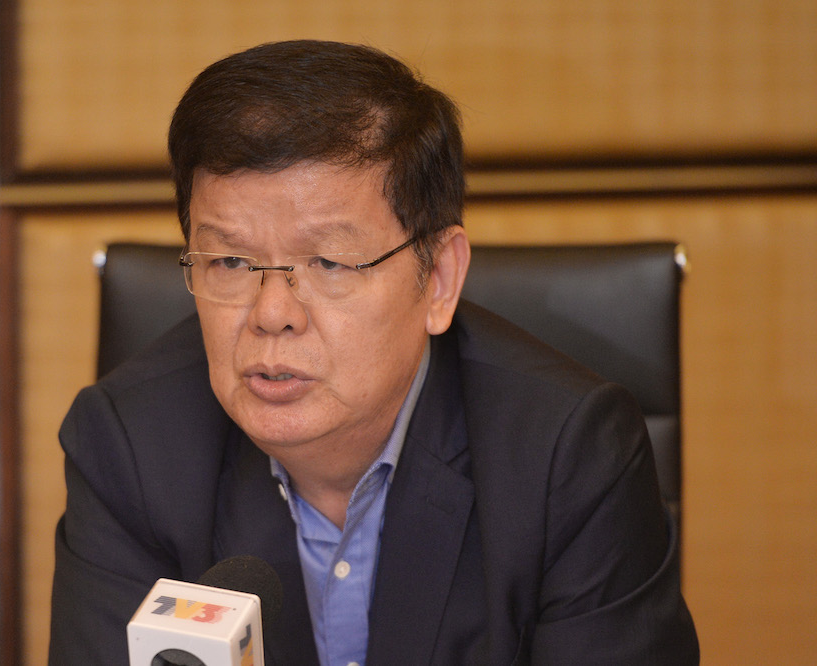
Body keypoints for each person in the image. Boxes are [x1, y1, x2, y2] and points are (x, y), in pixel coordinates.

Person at [49, 40, 698, 665]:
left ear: (438, 278)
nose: (272, 313)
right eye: (230, 261)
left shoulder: (567, 457)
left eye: (329, 262)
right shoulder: (129, 446)